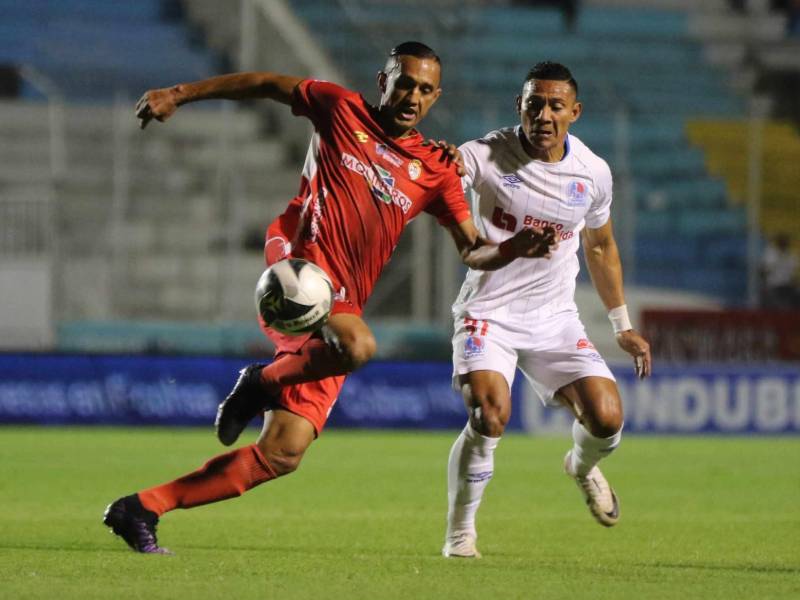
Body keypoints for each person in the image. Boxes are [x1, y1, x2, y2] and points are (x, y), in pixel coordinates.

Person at [102, 42, 557, 554]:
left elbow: (473, 250)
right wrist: (179, 95)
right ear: (383, 79)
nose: (412, 96)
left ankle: (141, 507)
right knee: (359, 347)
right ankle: (260, 381)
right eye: (404, 82)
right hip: (297, 273)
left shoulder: (435, 168)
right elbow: (265, 84)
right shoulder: (340, 108)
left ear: (436, 97)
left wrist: (512, 248)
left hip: (340, 311)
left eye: (425, 89)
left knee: (282, 453)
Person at [441, 61, 652, 558]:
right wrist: (438, 160)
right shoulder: (488, 153)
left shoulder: (593, 172)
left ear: (574, 112)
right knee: (490, 414)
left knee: (606, 418)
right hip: (488, 313)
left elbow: (600, 246)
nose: (544, 114)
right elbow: (450, 167)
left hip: (554, 319)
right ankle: (460, 534)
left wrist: (621, 325)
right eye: (534, 103)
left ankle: (580, 467)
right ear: (520, 105)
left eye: (556, 105)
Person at [760, 233, 799, 309]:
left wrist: (794, 283)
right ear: (778, 242)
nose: (783, 243)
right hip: (773, 285)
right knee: (775, 304)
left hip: (787, 286)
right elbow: (763, 271)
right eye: (781, 241)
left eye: (785, 242)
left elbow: (794, 274)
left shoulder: (791, 256)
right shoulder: (770, 255)